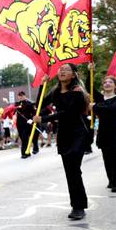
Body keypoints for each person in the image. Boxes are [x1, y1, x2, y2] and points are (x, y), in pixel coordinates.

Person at [34, 64, 90, 220]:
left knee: (74, 168)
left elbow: (68, 113)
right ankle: (76, 204)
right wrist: (42, 85)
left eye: (66, 69)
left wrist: (44, 119)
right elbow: (39, 105)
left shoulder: (78, 92)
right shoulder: (56, 91)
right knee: (70, 171)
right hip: (64, 135)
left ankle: (79, 206)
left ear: (73, 75)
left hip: (78, 134)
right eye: (60, 69)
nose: (62, 71)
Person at [92, 76, 116, 192]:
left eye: (110, 82)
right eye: (105, 82)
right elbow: (89, 85)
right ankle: (111, 180)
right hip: (103, 132)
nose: (107, 84)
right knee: (106, 158)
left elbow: (112, 109)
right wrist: (90, 70)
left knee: (115, 158)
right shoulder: (100, 98)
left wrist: (96, 107)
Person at [15, 91, 39, 158]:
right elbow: (13, 111)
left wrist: (31, 119)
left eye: (22, 95)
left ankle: (25, 153)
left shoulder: (29, 104)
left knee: (26, 137)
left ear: (25, 96)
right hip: (19, 124)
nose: (21, 97)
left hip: (27, 123)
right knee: (23, 138)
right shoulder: (16, 104)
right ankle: (26, 152)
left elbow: (34, 113)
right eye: (19, 96)